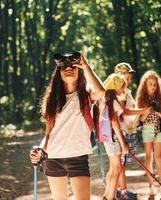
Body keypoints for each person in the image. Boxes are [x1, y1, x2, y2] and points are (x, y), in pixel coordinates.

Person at [29, 52, 105, 200]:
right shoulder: (52, 99)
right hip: (53, 158)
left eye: (73, 66)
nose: (68, 68)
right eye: (63, 66)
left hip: (78, 157)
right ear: (58, 72)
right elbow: (49, 134)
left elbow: (101, 92)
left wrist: (86, 66)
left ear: (79, 69)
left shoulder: (86, 96)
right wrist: (39, 150)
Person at [135, 70, 161, 195]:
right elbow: (141, 119)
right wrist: (147, 110)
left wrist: (158, 111)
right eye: (150, 84)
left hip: (159, 129)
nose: (153, 87)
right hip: (147, 129)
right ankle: (151, 186)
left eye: (155, 84)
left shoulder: (160, 99)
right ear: (145, 86)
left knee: (159, 158)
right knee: (149, 158)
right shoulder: (142, 100)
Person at [114, 63, 151, 199]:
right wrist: (143, 110)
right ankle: (122, 192)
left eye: (130, 78)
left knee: (122, 163)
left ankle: (119, 190)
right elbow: (123, 112)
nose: (129, 81)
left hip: (129, 130)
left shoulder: (126, 92)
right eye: (126, 78)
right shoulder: (120, 93)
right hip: (123, 132)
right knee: (121, 164)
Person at [101, 73, 129, 200]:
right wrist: (123, 144)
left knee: (113, 168)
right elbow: (114, 123)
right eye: (123, 87)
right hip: (114, 138)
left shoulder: (105, 101)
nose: (124, 90)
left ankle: (107, 194)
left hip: (107, 138)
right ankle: (111, 197)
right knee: (117, 168)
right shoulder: (113, 102)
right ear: (116, 87)